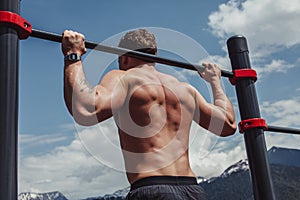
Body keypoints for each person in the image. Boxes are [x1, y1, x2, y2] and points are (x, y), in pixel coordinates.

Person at [62, 29, 236, 200]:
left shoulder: (125, 78)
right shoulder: (185, 90)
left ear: (123, 58)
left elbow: (86, 110)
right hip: (192, 190)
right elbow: (227, 125)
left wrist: (73, 55)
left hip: (151, 189)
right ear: (154, 56)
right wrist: (215, 82)